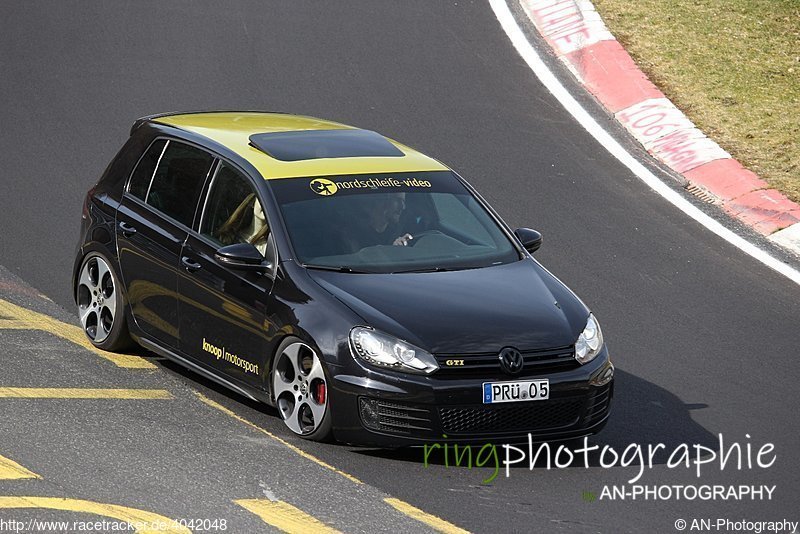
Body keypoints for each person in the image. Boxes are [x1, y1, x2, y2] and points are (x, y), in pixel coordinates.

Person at [346, 192, 413, 250]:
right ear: (380, 202)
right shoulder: (353, 235)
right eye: (397, 200)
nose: (403, 207)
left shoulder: (401, 232)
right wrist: (392, 251)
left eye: (403, 201)